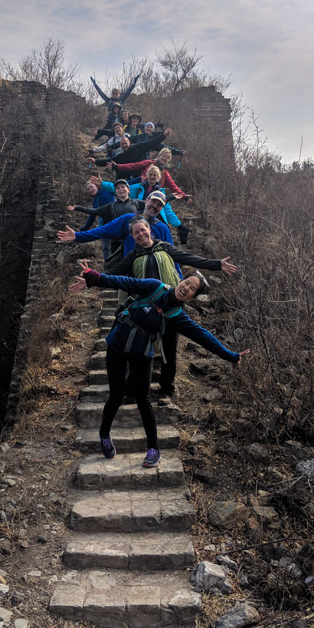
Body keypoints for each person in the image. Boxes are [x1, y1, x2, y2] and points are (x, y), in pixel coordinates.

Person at [69, 260, 250, 467]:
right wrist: (94, 278)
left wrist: (230, 355)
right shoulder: (154, 286)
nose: (186, 288)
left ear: (191, 298)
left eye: (192, 289)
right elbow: (124, 281)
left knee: (143, 399)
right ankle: (104, 434)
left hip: (142, 352)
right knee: (117, 394)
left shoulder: (178, 316)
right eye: (187, 283)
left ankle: (154, 448)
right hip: (118, 344)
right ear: (181, 280)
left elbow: (203, 336)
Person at [108, 216, 237, 402]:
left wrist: (217, 264)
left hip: (172, 306)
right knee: (136, 349)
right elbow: (113, 275)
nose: (140, 234)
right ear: (132, 236)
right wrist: (89, 277)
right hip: (146, 311)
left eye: (143, 230)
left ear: (149, 230)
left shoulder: (164, 247)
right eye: (136, 232)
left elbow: (191, 259)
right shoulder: (133, 256)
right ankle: (131, 389)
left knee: (169, 350)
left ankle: (166, 390)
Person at [57, 190, 173, 261]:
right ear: (146, 201)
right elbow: (103, 230)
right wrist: (78, 236)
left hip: (155, 278)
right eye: (153, 201)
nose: (154, 206)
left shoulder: (162, 228)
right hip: (130, 274)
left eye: (159, 205)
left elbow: (171, 255)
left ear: (161, 209)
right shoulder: (128, 219)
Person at [89, 129, 172, 168]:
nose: (124, 145)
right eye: (122, 144)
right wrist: (95, 161)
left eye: (125, 143)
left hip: (142, 172)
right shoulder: (121, 156)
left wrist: (163, 135)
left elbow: (151, 143)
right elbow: (109, 161)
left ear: (129, 143)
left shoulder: (138, 146)